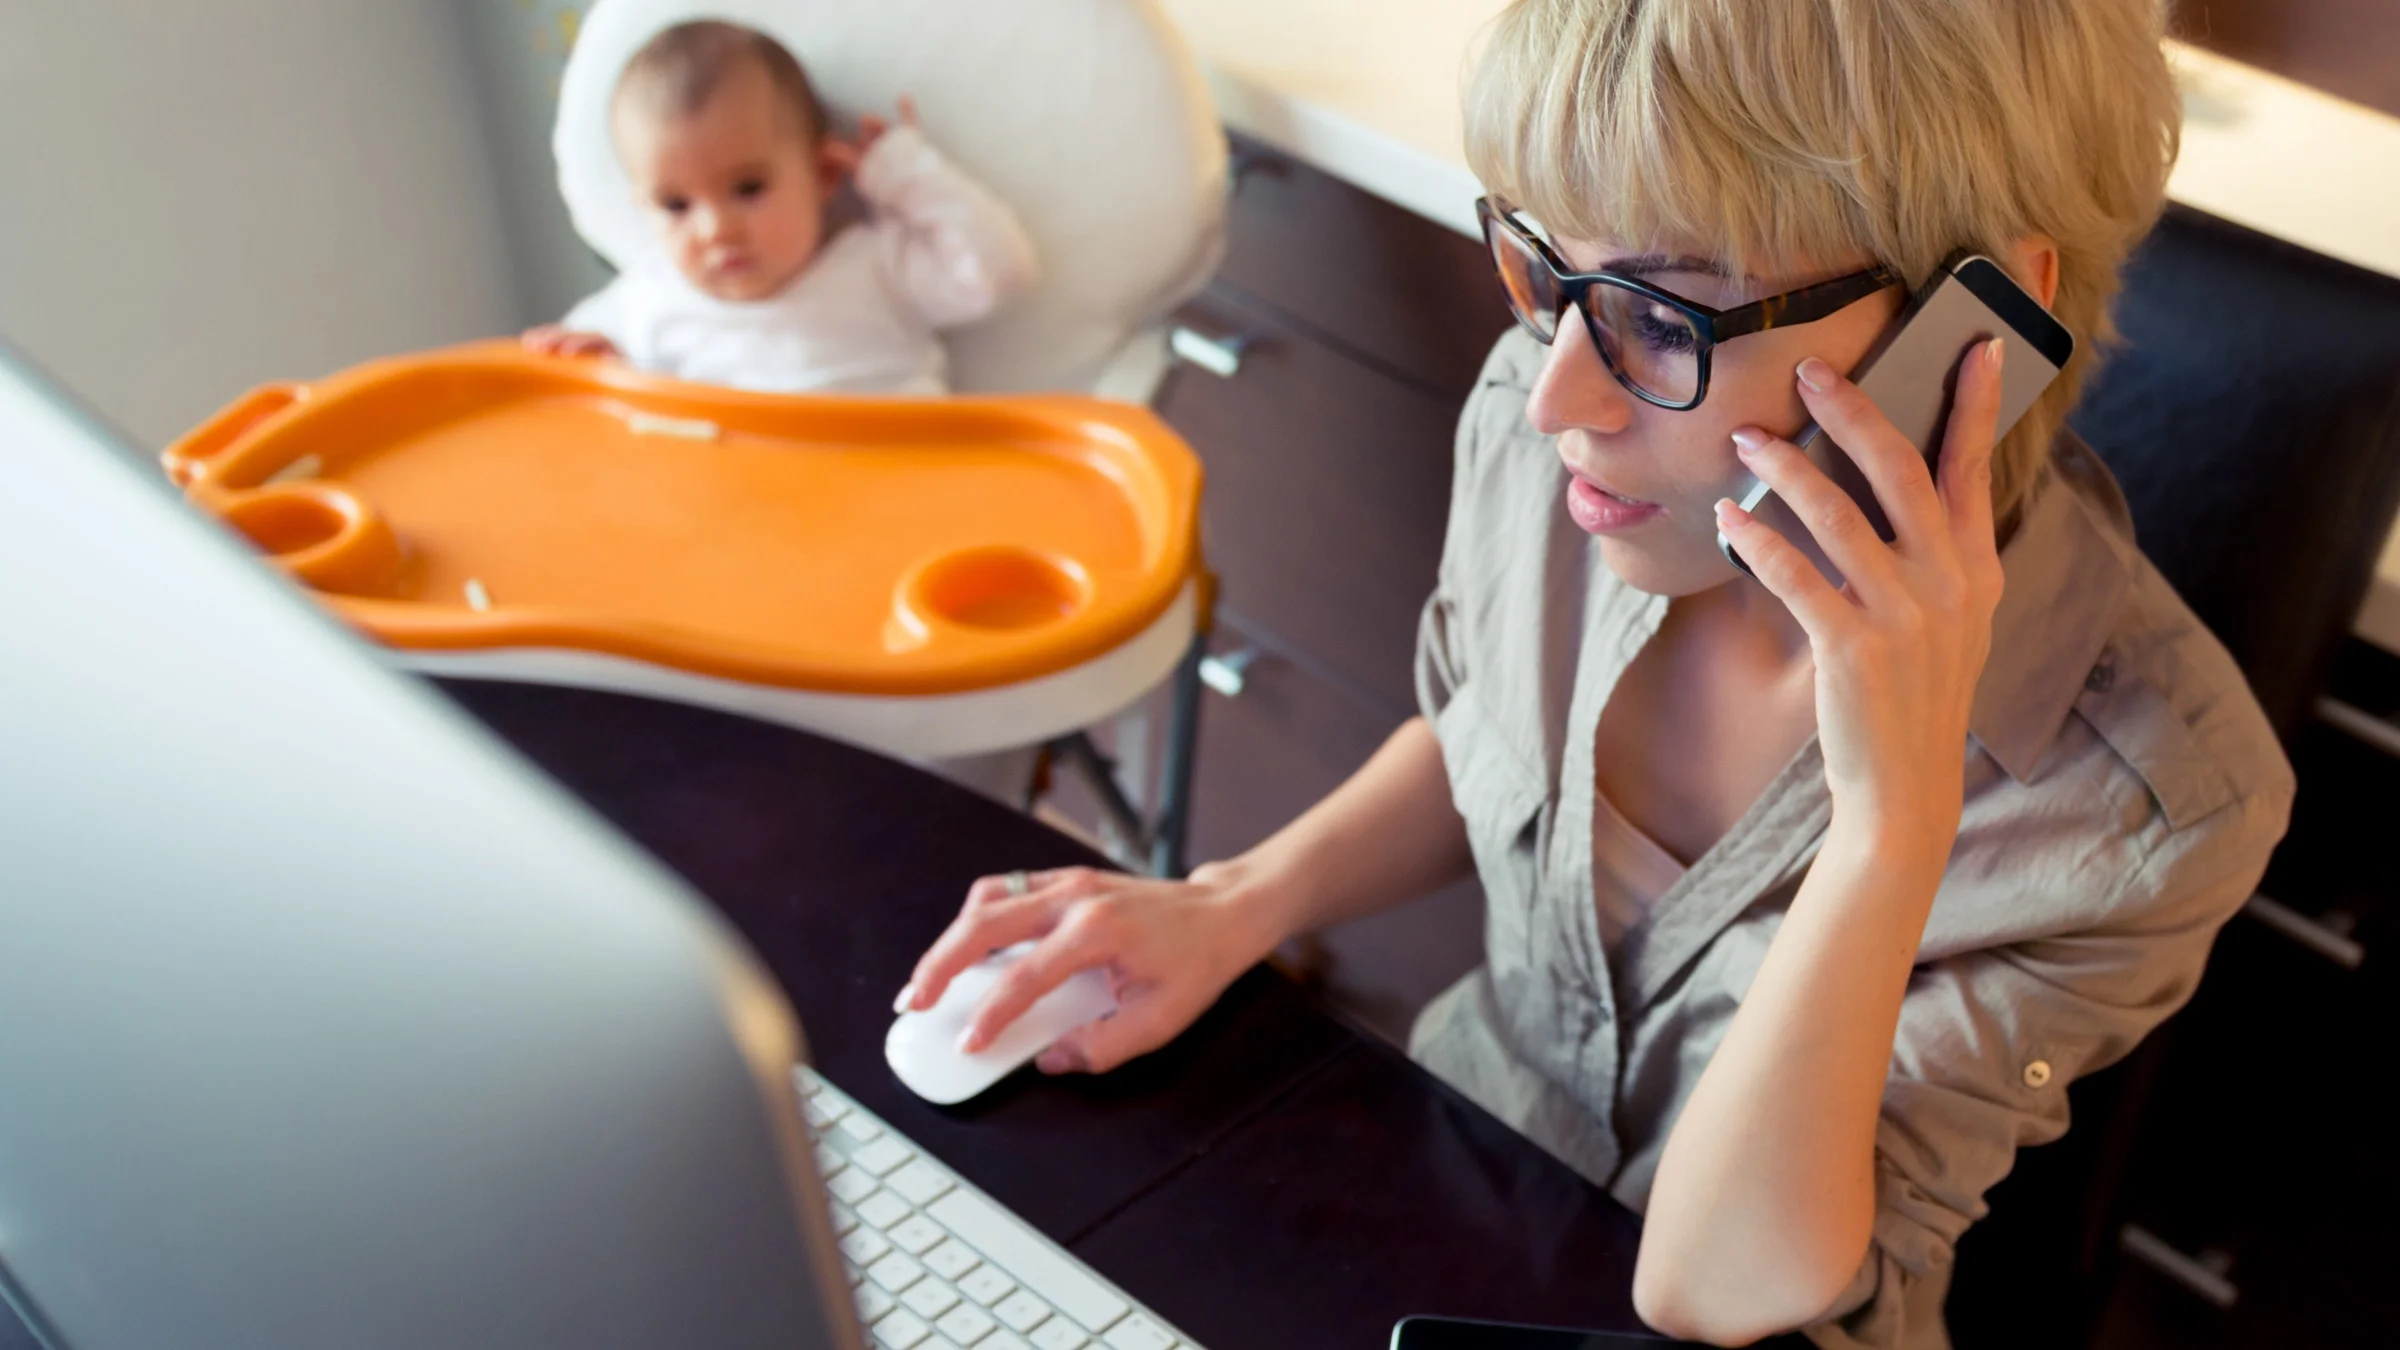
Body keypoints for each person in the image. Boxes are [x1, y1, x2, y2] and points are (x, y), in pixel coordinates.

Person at [895, 0, 2294, 1345]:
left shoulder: (2155, 814)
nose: (1561, 390)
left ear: (1977, 325)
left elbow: (1715, 1288)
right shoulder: (1545, 426)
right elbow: (1487, 733)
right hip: (1435, 1190)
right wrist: (1230, 904)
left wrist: (1891, 827)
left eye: (1662, 315)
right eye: (1550, 273)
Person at [525, 20, 1036, 395]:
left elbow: (1000, 273)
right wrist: (601, 366)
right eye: (676, 205)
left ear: (824, 175)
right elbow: (562, 387)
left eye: (748, 188)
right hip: (737, 512)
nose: (715, 229)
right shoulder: (641, 303)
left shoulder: (875, 267)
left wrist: (901, 172)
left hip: (891, 496)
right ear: (642, 207)